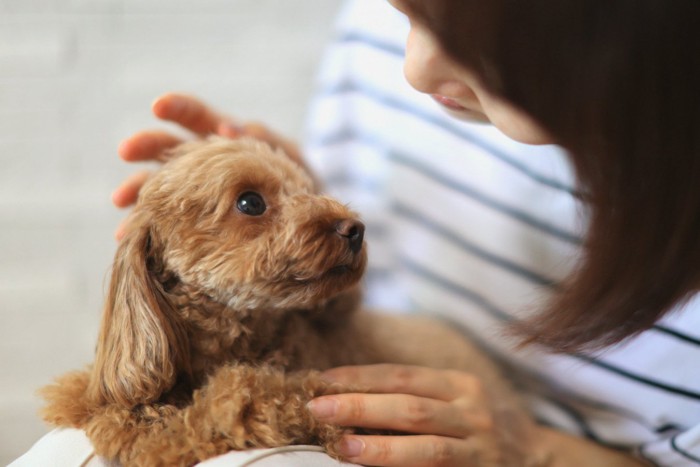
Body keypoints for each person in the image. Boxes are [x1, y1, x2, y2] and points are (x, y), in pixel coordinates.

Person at [16, 0, 700, 465]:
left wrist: (528, 444)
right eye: (405, 12)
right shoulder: (369, 36)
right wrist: (298, 193)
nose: (413, 70)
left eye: (463, 33)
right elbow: (350, 231)